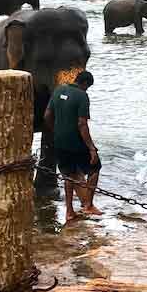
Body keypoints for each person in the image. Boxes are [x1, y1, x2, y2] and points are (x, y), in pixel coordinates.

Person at [45, 70, 102, 221]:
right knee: (95, 167)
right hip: (76, 143)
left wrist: (56, 131)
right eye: (87, 87)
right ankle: (88, 205)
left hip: (59, 142)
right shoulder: (82, 96)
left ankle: (69, 211)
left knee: (68, 176)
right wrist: (91, 148)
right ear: (85, 83)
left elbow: (47, 116)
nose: (87, 90)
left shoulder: (58, 90)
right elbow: (82, 124)